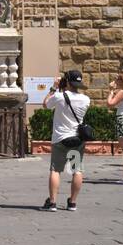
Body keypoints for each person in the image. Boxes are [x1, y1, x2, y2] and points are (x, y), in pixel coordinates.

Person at [43, 70, 91, 212]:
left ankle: (52, 203)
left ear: (67, 82)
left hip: (60, 139)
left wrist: (53, 88)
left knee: (55, 170)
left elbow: (45, 104)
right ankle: (72, 202)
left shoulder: (59, 96)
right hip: (77, 140)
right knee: (77, 170)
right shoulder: (86, 99)